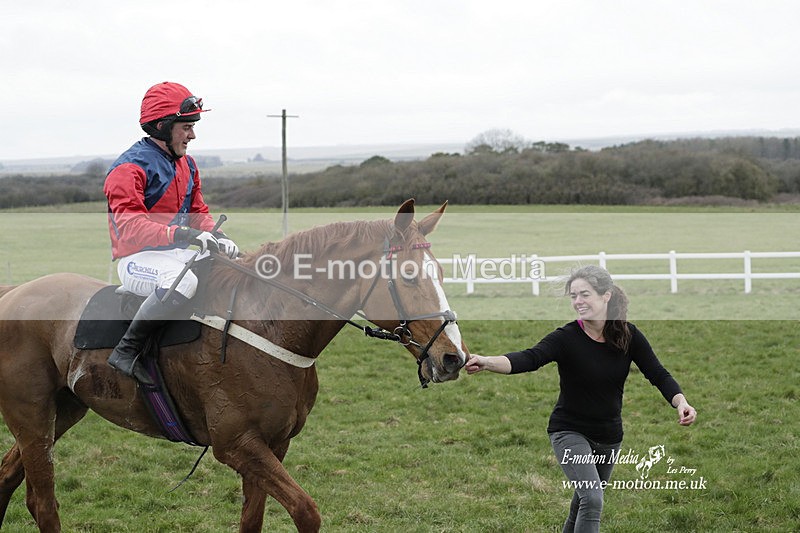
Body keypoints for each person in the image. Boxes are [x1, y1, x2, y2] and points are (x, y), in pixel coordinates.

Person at [465, 265, 696, 533]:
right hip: (569, 431)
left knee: (583, 503)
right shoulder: (566, 337)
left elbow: (657, 373)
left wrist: (681, 402)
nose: (577, 302)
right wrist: (486, 362)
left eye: (584, 294)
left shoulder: (627, 335)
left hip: (609, 436)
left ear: (606, 295)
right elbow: (530, 358)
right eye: (573, 296)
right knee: (593, 499)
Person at [103, 81, 239, 385]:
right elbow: (131, 226)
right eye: (186, 127)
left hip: (174, 252)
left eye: (193, 127)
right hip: (137, 258)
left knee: (222, 265)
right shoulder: (128, 169)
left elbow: (198, 214)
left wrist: (219, 236)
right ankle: (126, 350)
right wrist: (184, 235)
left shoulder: (187, 165)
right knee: (184, 281)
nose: (192, 135)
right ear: (163, 126)